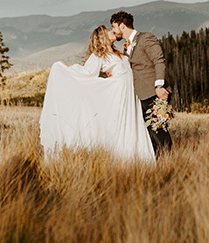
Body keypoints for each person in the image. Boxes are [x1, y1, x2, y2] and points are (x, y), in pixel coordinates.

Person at [39, 26, 155, 161]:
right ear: (103, 37)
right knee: (120, 124)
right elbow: (87, 72)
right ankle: (123, 158)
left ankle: (137, 158)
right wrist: (63, 69)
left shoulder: (120, 53)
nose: (113, 31)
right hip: (118, 92)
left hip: (131, 91)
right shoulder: (99, 54)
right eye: (109, 31)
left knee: (133, 123)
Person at [110, 10, 173, 156]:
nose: (114, 31)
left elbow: (159, 60)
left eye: (114, 27)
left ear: (122, 26)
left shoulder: (146, 38)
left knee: (159, 132)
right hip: (141, 97)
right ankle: (158, 165)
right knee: (150, 136)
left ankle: (170, 164)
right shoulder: (127, 46)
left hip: (154, 93)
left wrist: (159, 86)